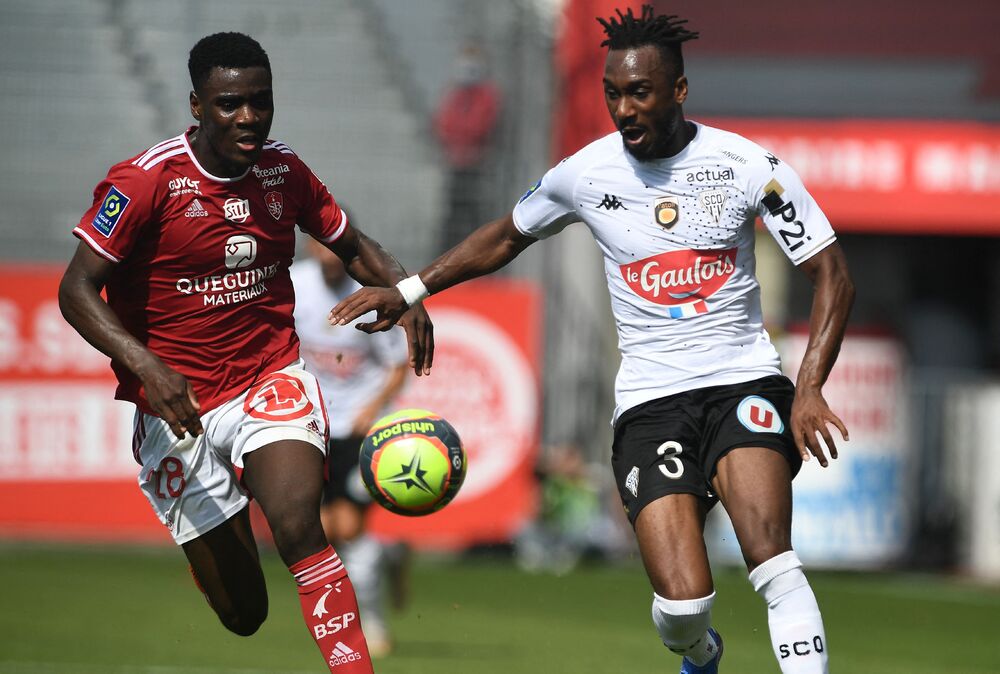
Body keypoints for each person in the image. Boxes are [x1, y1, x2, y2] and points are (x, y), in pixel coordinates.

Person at [330, 6, 854, 673]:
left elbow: (833, 274)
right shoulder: (586, 173)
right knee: (685, 607)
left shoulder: (747, 165)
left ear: (679, 90)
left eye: (640, 92)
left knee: (771, 559)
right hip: (651, 401)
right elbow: (505, 235)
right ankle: (701, 656)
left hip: (743, 381)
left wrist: (807, 388)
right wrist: (410, 291)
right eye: (613, 93)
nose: (624, 107)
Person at [58, 32, 432, 674]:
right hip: (177, 406)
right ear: (197, 106)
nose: (249, 117)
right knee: (245, 614)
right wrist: (148, 365)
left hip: (269, 377)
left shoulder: (283, 170)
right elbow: (76, 290)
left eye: (260, 102)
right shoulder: (147, 182)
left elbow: (349, 240)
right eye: (230, 104)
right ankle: (211, 528)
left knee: (297, 527)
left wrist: (409, 291)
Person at [292, 234, 410, 657]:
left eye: (334, 248)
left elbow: (398, 365)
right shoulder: (293, 285)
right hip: (308, 422)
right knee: (323, 532)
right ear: (310, 248)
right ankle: (389, 556)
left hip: (360, 426)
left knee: (350, 529)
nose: (327, 256)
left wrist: (372, 409)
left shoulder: (370, 294)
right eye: (319, 246)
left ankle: (372, 624)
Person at [433, 44, 502, 250]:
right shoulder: (454, 94)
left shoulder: (487, 96)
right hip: (456, 165)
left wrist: (463, 137)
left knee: (475, 217)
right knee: (452, 215)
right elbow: (443, 124)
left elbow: (480, 127)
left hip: (478, 167)